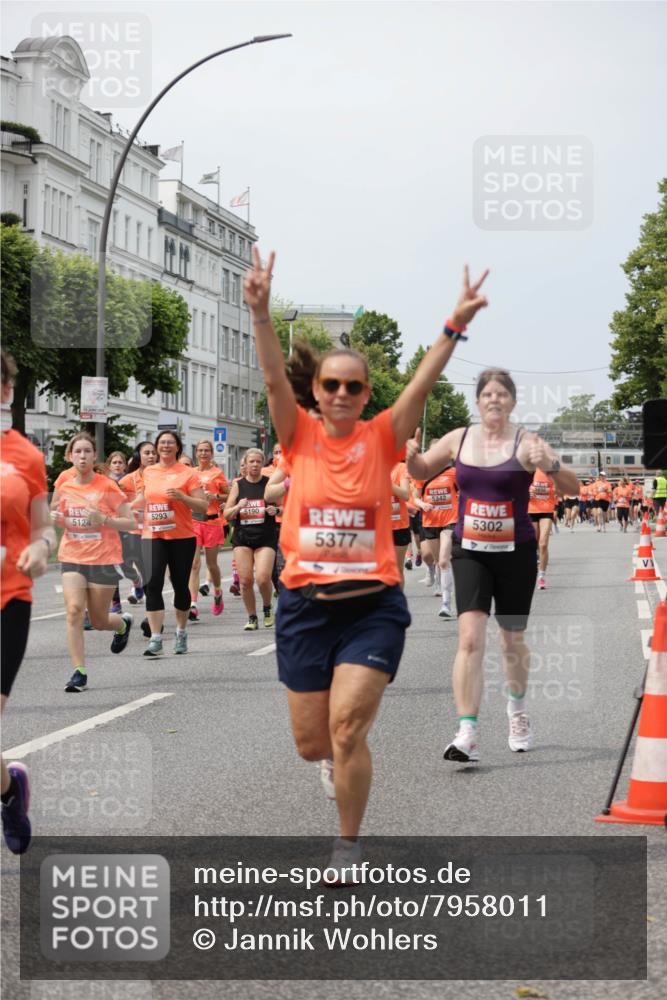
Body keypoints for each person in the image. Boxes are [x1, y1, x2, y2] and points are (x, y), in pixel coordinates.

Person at [245, 246, 490, 872]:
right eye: (332, 384)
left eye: (354, 385)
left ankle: (348, 843)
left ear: (365, 394)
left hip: (370, 610)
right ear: (317, 392)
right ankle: (331, 760)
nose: (342, 393)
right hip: (304, 608)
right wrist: (261, 314)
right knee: (312, 743)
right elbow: (273, 379)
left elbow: (422, 384)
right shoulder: (297, 438)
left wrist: (455, 323)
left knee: (349, 728)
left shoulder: (381, 437)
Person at [407, 367, 579, 764]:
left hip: (516, 554)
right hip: (471, 551)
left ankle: (517, 711)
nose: (494, 400)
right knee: (469, 638)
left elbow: (572, 487)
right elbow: (421, 471)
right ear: (478, 401)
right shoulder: (459, 438)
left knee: (510, 640)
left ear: (513, 402)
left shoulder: (527, 443)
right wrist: (412, 457)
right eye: (488, 394)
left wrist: (549, 464)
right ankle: (467, 731)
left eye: (502, 394)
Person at [1, 351, 56, 853]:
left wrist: (40, 550)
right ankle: (9, 791)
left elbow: (43, 530)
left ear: (5, 390)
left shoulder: (25, 457)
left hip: (7, 600)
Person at [50, 433, 136, 691]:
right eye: (77, 451)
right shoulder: (65, 485)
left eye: (87, 451)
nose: (82, 456)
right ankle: (79, 671)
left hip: (103, 558)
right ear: (70, 456)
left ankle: (122, 624)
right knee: (75, 610)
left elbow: (131, 522)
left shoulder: (107, 486)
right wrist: (56, 518)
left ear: (95, 456)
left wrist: (104, 519)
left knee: (99, 620)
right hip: (72, 556)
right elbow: (57, 512)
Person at [136, 430, 207, 656]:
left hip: (181, 537)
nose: (165, 446)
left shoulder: (188, 473)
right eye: (162, 442)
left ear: (178, 447)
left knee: (180, 586)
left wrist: (182, 497)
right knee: (152, 583)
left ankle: (181, 632)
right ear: (157, 447)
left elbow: (203, 506)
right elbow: (143, 498)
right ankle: (156, 638)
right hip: (152, 535)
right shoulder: (148, 472)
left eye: (170, 442)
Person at [224, 447, 278, 630]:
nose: (255, 465)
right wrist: (238, 507)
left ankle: (267, 607)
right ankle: (252, 617)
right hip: (243, 538)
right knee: (246, 581)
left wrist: (276, 510)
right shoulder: (238, 485)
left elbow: (285, 507)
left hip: (265, 537)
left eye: (258, 461)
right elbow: (227, 514)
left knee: (263, 578)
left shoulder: (269, 484)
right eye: (251, 462)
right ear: (245, 464)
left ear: (263, 464)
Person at [413, 443, 459, 617]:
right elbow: (415, 497)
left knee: (444, 560)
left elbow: (467, 490)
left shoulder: (453, 473)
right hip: (430, 522)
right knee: (435, 560)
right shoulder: (422, 474)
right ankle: (436, 578)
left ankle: (446, 604)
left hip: (450, 520)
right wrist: (422, 504)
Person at [188, 440, 229, 619]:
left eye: (206, 451)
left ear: (211, 454)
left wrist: (216, 496)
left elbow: (229, 495)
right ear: (196, 453)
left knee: (212, 565)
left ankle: (218, 591)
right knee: (194, 564)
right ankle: (193, 603)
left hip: (212, 522)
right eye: (200, 450)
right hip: (194, 522)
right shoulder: (191, 473)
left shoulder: (217, 473)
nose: (203, 453)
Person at [528, 468, 556, 590]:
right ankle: (531, 568)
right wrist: (527, 492)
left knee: (543, 544)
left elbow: (559, 489)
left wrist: (547, 490)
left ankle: (541, 576)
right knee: (533, 544)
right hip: (531, 510)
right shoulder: (529, 470)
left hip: (547, 510)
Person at [390, 455, 411, 590]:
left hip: (398, 526)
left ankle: (397, 600)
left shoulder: (401, 468)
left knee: (397, 569)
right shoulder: (371, 466)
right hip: (377, 528)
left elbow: (405, 495)